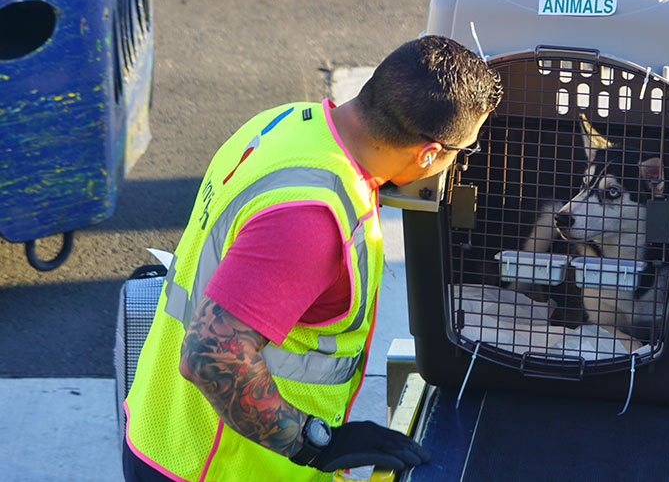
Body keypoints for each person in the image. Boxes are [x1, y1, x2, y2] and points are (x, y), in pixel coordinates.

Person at [122, 35, 502, 481]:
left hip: (161, 430)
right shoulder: (314, 220)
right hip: (219, 467)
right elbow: (211, 355)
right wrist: (316, 443)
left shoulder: (285, 124)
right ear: (429, 153)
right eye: (464, 150)